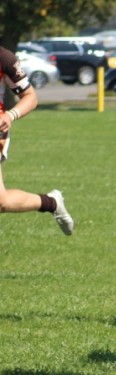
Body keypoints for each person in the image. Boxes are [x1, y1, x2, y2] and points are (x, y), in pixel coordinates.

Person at [0, 45, 73, 235]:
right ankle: (51, 202)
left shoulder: (4, 58)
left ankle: (50, 202)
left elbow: (30, 97)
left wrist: (10, 115)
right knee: (3, 202)